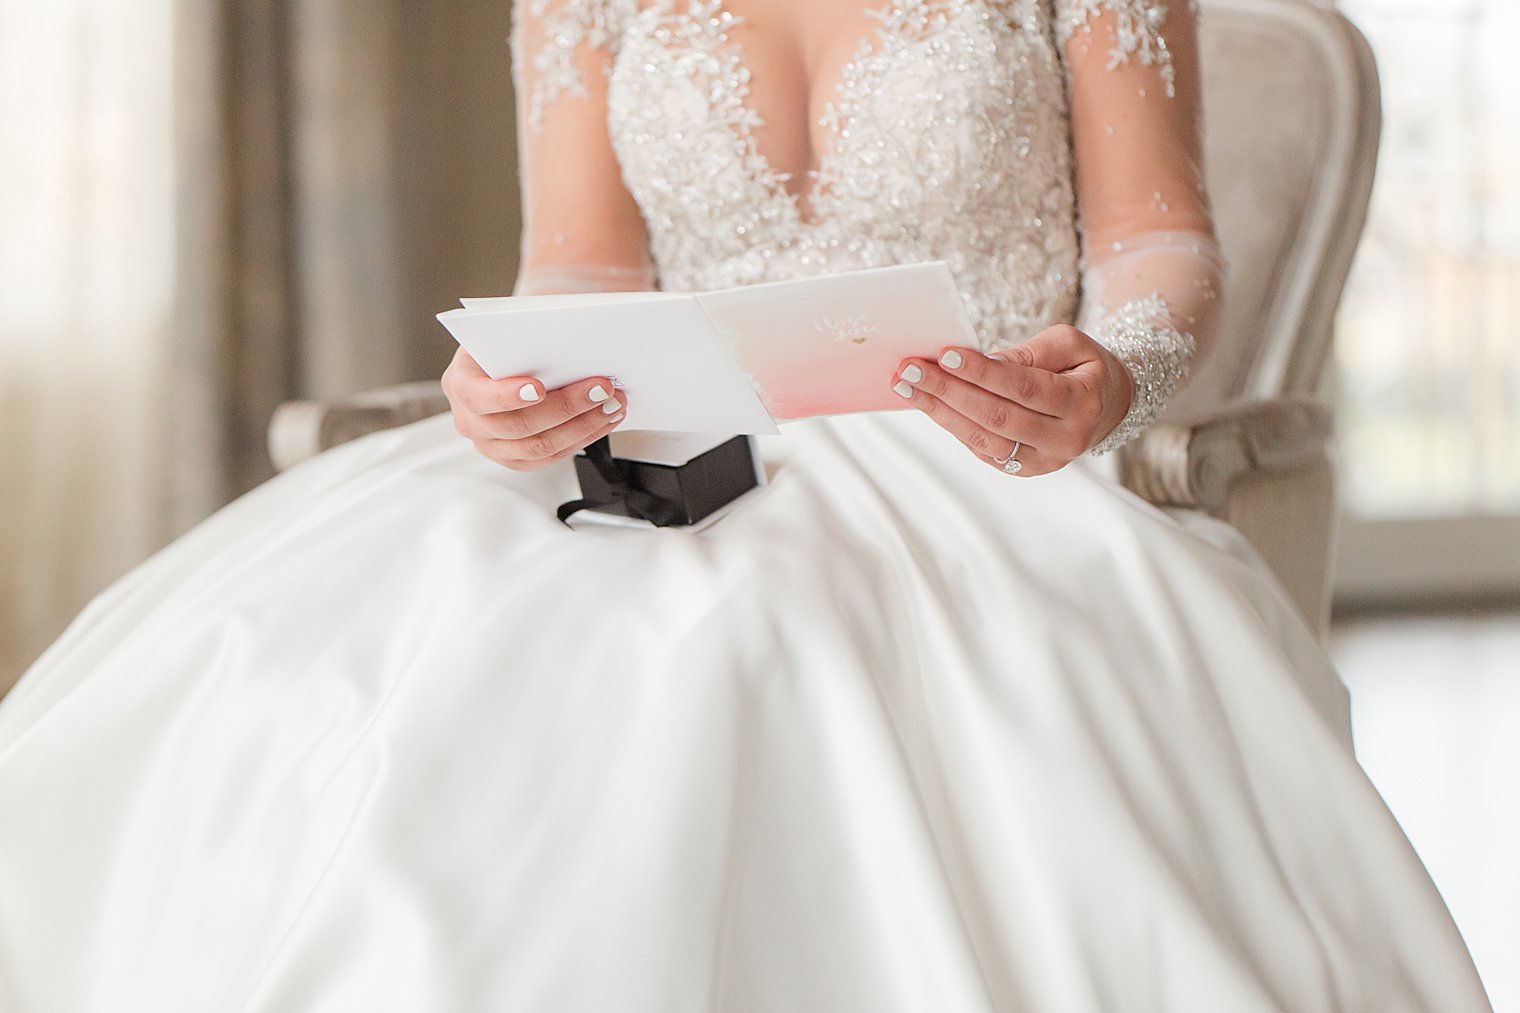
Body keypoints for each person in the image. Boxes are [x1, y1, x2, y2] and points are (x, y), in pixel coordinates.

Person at [0, 1, 1491, 1009]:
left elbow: (1167, 249)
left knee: (767, 651)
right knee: (322, 666)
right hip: (672, 450)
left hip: (979, 467)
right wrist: (508, 386)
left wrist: (1107, 371)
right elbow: (577, 271)